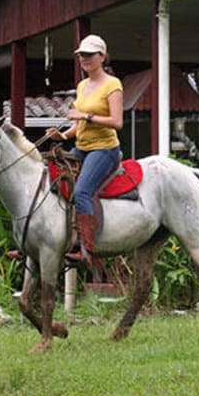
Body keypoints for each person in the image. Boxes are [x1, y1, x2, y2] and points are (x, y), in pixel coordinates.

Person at [62, 34, 124, 263]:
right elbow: (78, 126)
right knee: (55, 179)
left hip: (104, 149)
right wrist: (63, 135)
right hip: (81, 147)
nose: (84, 59)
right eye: (81, 55)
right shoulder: (82, 86)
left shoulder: (112, 84)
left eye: (89, 55)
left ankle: (86, 248)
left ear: (102, 57)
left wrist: (85, 116)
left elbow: (117, 122)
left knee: (81, 191)